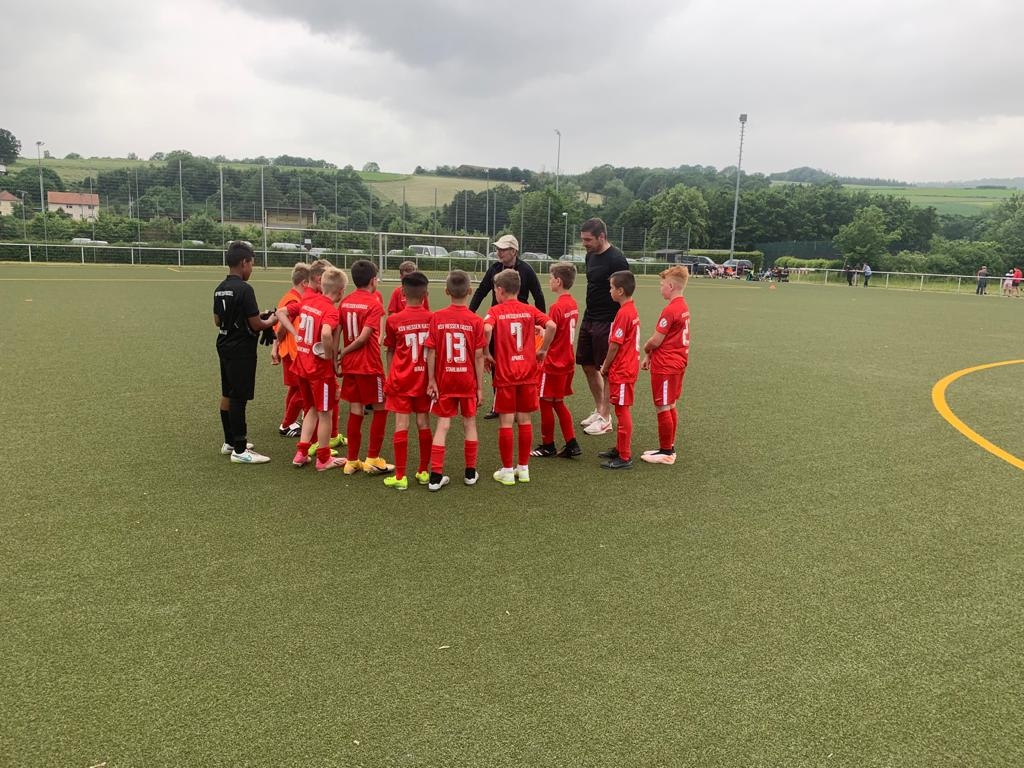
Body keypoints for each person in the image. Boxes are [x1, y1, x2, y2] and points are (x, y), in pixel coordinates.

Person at [483, 269, 555, 486]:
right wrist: (543, 350)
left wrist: (486, 353)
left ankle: (507, 470)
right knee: (525, 420)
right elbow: (551, 325)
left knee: (506, 421)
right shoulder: (529, 309)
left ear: (500, 290)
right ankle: (523, 469)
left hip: (506, 374)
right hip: (527, 372)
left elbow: (486, 328)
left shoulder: (495, 310)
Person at [213, 240, 278, 464]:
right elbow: (257, 324)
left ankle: (230, 441)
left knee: (227, 392)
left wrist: (251, 317)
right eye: (251, 264)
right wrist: (272, 320)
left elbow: (218, 320)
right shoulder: (245, 289)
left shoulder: (220, 288)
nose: (251, 268)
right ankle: (240, 450)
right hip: (241, 348)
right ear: (244, 263)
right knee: (239, 396)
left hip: (224, 344)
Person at [469, 233, 545, 419]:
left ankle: (520, 404)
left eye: (503, 249)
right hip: (499, 323)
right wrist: (470, 314)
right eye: (498, 249)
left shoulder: (526, 270)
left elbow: (538, 294)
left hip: (521, 324)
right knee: (496, 361)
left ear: (514, 251)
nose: (499, 252)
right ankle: (499, 404)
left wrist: (540, 323)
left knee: (520, 361)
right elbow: (481, 291)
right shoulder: (494, 269)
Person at [425, 269, 487, 491]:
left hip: (445, 380)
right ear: (470, 291)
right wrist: (479, 388)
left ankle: (435, 476)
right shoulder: (476, 321)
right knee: (469, 423)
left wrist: (431, 380)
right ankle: (470, 473)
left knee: (443, 425)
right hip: (467, 380)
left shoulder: (437, 317)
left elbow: (431, 352)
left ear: (446, 291)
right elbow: (478, 356)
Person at [288, 267, 348, 471]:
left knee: (311, 409)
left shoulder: (308, 301)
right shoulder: (331, 310)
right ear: (341, 291)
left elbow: (284, 313)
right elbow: (325, 333)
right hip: (319, 371)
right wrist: (329, 356)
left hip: (302, 365)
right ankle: (323, 459)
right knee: (325, 413)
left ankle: (301, 453)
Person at [575, 218, 630, 437]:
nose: (584, 244)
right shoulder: (590, 256)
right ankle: (599, 409)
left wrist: (620, 322)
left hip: (608, 320)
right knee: (587, 365)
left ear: (602, 237)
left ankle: (606, 418)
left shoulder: (617, 259)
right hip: (589, 317)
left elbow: (625, 293)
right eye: (583, 239)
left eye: (588, 240)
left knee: (606, 370)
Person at [338, 259, 394, 475]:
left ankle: (352, 460)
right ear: (373, 280)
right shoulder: (374, 303)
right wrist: (344, 352)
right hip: (369, 365)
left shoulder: (345, 302)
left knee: (356, 409)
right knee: (381, 407)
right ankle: (372, 458)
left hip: (350, 367)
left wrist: (337, 357)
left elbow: (337, 331)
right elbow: (363, 339)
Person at [382, 271, 434, 490]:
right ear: (426, 294)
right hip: (424, 380)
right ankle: (423, 471)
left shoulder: (393, 320)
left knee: (401, 425)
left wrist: (390, 375)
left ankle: (400, 476)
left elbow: (390, 350)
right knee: (423, 423)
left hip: (401, 380)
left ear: (402, 293)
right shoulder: (433, 318)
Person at [640, 266, 691, 465]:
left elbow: (656, 340)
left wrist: (646, 349)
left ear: (670, 286)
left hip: (666, 365)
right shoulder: (683, 306)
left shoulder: (670, 309)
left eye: (662, 285)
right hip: (677, 362)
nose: (660, 288)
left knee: (662, 406)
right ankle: (668, 446)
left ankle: (666, 452)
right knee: (670, 405)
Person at [531, 263, 582, 459]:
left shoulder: (557, 307)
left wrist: (543, 348)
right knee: (558, 402)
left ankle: (548, 445)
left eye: (551, 278)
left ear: (558, 281)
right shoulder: (573, 304)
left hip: (553, 362)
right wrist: (543, 331)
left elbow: (552, 328)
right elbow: (559, 330)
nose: (549, 281)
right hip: (567, 359)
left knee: (544, 401)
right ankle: (571, 442)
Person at [596, 270, 640, 470]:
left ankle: (625, 456)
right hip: (625, 367)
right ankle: (620, 448)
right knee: (620, 408)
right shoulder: (629, 309)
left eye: (612, 288)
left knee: (622, 410)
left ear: (620, 291)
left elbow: (615, 344)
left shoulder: (624, 313)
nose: (610, 291)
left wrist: (605, 366)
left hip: (623, 369)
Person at [271, 262, 310, 438]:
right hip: (293, 352)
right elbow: (281, 328)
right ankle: (286, 424)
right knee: (302, 390)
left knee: (295, 388)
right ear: (304, 283)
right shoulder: (294, 300)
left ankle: (290, 421)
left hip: (289, 350)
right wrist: (276, 346)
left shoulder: (290, 296)